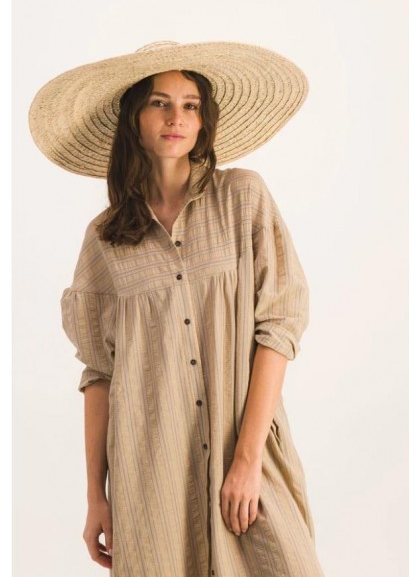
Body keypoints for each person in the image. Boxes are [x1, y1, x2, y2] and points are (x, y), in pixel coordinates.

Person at [29, 40, 324, 577]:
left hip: (249, 455)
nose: (176, 117)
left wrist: (246, 459)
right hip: (152, 475)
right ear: (134, 119)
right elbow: (100, 375)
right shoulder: (104, 240)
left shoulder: (243, 198)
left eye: (190, 105)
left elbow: (278, 327)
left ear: (204, 121)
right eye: (159, 103)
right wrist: (96, 496)